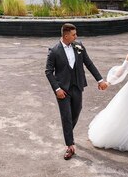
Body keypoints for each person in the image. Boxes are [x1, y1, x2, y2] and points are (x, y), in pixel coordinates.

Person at [45, 23, 108, 160]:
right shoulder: (54, 51)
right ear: (66, 35)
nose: (76, 36)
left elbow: (89, 63)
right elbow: (48, 72)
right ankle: (70, 146)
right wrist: (57, 89)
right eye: (74, 34)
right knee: (66, 116)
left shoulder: (79, 46)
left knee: (77, 111)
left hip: (77, 86)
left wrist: (100, 80)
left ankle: (68, 133)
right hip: (62, 90)